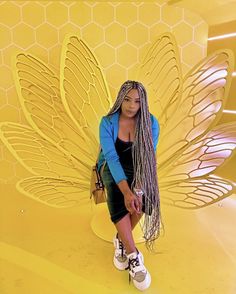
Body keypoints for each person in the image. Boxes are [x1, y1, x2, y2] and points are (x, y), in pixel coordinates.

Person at [97, 80, 162, 291]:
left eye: (137, 100)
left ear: (143, 103)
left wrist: (139, 189)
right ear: (120, 99)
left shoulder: (150, 123)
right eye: (127, 99)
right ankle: (134, 256)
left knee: (143, 202)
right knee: (118, 200)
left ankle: (121, 239)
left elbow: (147, 157)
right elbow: (111, 158)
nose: (131, 105)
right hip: (113, 167)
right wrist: (126, 191)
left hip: (139, 169)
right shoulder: (107, 123)